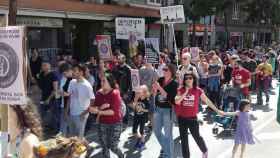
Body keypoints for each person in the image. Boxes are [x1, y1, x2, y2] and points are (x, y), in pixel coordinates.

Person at [174, 72, 224, 158]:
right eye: (186, 78)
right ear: (184, 80)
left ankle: (204, 150)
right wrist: (185, 92)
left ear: (193, 79)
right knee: (184, 140)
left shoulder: (198, 90)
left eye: (190, 78)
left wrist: (217, 110)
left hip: (192, 118)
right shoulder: (180, 89)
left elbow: (207, 101)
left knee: (197, 137)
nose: (188, 80)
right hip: (182, 118)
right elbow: (177, 101)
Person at [89, 73, 124, 158]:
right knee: (104, 147)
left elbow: (113, 112)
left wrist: (98, 111)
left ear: (110, 82)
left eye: (104, 81)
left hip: (115, 123)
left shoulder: (115, 93)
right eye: (101, 81)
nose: (102, 83)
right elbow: (95, 107)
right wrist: (95, 109)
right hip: (102, 123)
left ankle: (121, 156)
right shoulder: (98, 93)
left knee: (113, 147)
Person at [152, 64, 178, 158]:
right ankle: (166, 149)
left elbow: (170, 97)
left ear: (171, 72)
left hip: (168, 110)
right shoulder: (160, 79)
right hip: (158, 109)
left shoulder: (175, 83)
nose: (164, 70)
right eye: (163, 69)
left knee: (168, 135)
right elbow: (155, 93)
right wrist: (154, 89)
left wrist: (159, 88)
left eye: (166, 69)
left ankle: (169, 155)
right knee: (156, 131)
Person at [66, 64, 95, 138]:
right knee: (72, 136)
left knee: (79, 138)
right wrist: (66, 111)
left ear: (81, 72)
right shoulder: (72, 82)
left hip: (81, 114)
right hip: (72, 112)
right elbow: (70, 97)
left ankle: (85, 148)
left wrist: (84, 113)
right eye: (73, 70)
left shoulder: (87, 85)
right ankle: (88, 146)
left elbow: (93, 100)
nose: (72, 72)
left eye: (75, 71)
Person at [37, 61, 59, 131]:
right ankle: (41, 128)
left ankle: (56, 130)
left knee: (54, 115)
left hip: (52, 98)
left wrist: (48, 99)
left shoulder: (53, 75)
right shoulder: (41, 74)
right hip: (43, 97)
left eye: (45, 65)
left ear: (49, 66)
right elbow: (40, 85)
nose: (43, 67)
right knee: (41, 113)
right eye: (42, 65)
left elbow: (55, 89)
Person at [58, 63, 72, 136]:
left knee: (67, 126)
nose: (64, 75)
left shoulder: (73, 79)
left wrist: (66, 94)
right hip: (64, 105)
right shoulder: (63, 79)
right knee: (64, 126)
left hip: (71, 106)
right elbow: (61, 91)